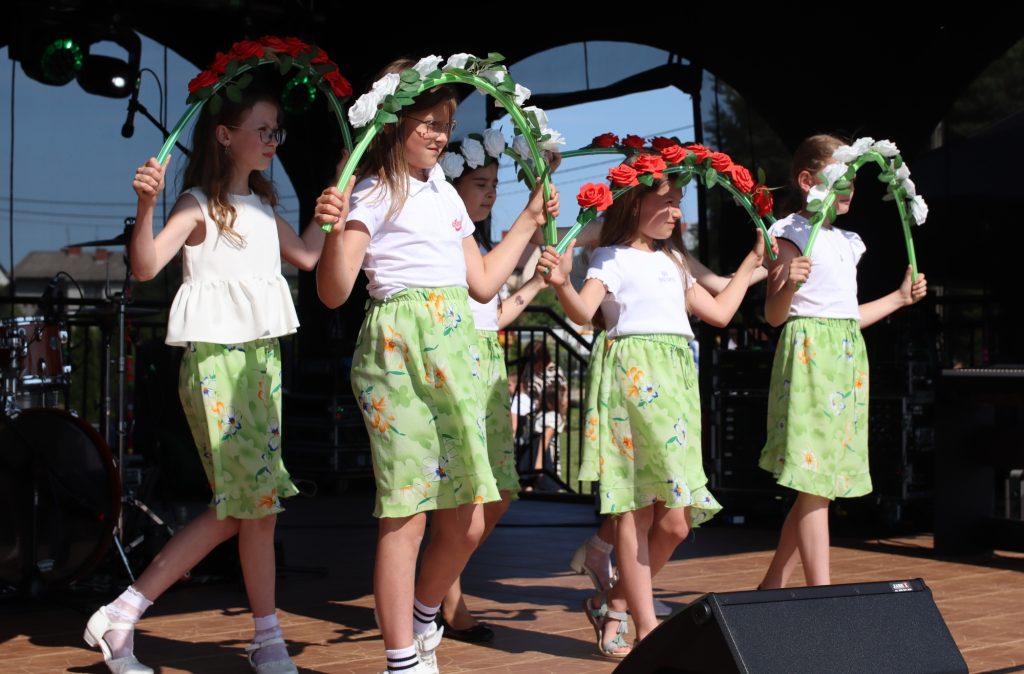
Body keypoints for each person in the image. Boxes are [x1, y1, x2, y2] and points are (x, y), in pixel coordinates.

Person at [314, 58, 559, 674]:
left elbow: (483, 283)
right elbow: (334, 293)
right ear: (393, 121)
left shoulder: (446, 192)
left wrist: (531, 218)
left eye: (445, 123)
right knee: (406, 514)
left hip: (457, 350)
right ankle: (402, 659)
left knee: (469, 521)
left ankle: (425, 617)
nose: (438, 133)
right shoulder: (372, 191)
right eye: (426, 120)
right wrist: (333, 229)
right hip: (398, 352)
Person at [84, 83, 333, 674]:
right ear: (225, 135)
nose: (273, 140)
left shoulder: (264, 207)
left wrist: (327, 218)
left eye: (276, 131)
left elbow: (307, 257)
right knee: (244, 506)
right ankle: (126, 611)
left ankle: (261, 636)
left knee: (258, 508)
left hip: (262, 364)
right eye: (262, 129)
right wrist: (146, 206)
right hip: (218, 365)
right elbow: (147, 264)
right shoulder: (197, 204)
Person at [538, 154, 773, 656]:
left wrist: (753, 261)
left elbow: (720, 311)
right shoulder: (611, 258)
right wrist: (560, 282)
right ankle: (645, 631)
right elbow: (582, 312)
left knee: (676, 523)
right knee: (636, 511)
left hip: (677, 391)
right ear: (634, 203)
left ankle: (614, 604)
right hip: (631, 385)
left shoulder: (675, 261)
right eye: (666, 201)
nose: (676, 212)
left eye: (678, 202)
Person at [756, 134, 927, 589]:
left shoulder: (849, 241)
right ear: (807, 180)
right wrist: (788, 283)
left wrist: (898, 298)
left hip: (846, 362)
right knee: (815, 486)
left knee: (820, 487)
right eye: (840, 176)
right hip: (810, 361)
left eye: (853, 178)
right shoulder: (789, 234)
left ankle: (772, 585)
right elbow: (774, 315)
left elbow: (848, 317)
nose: (850, 187)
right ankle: (822, 594)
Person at [435, 138, 552, 642]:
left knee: (500, 492)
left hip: (488, 366)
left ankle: (433, 586)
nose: (489, 193)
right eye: (480, 184)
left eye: (494, 185)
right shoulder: (442, 236)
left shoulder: (480, 247)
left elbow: (495, 313)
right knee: (462, 498)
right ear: (452, 184)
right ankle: (446, 601)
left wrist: (535, 286)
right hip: (458, 364)